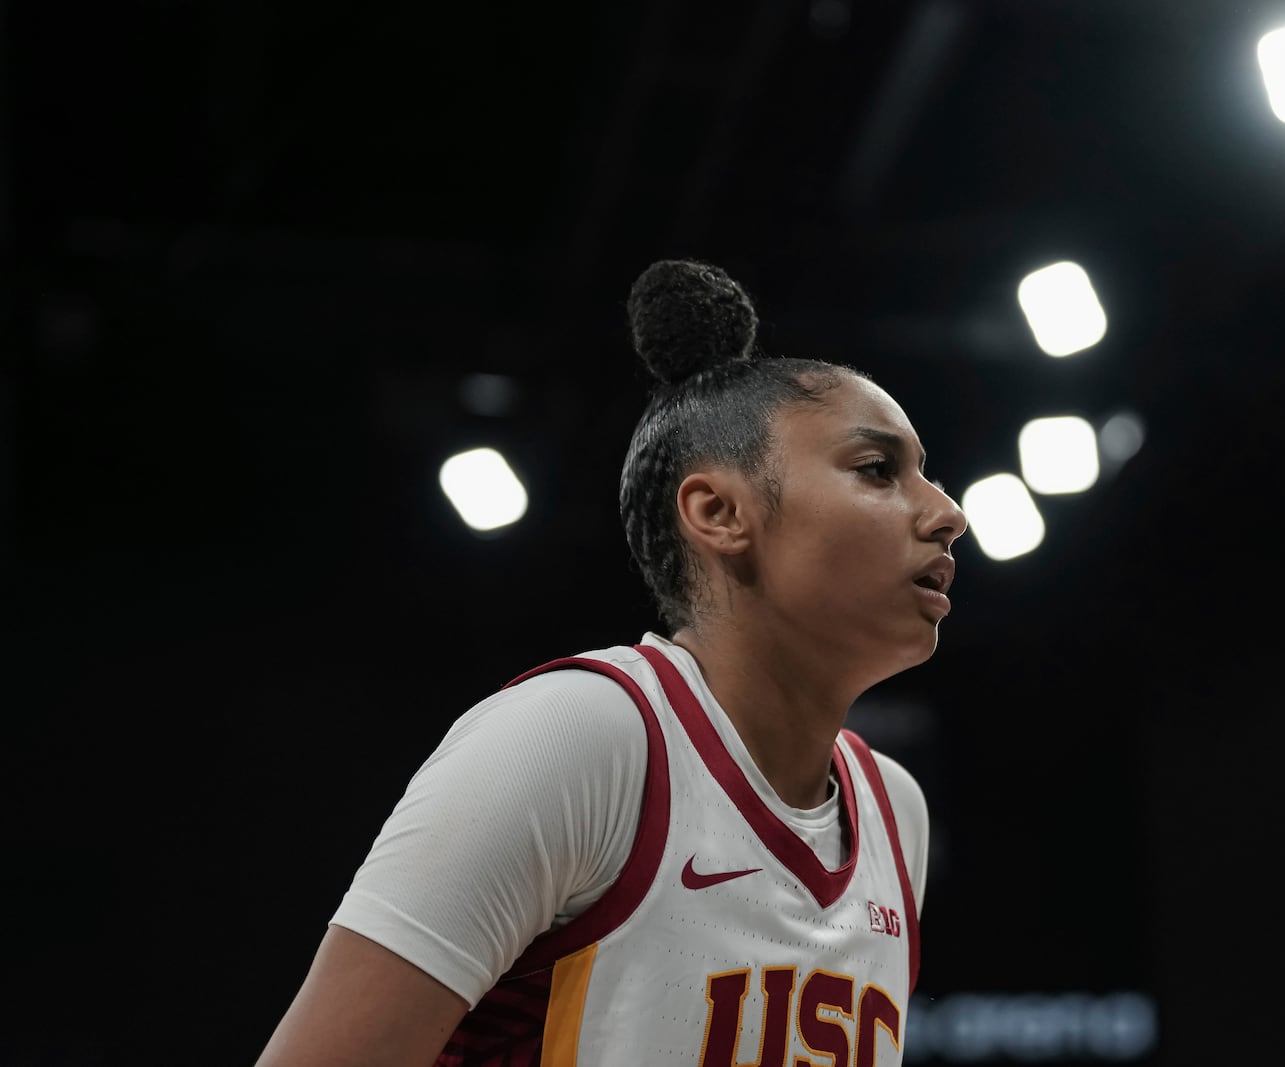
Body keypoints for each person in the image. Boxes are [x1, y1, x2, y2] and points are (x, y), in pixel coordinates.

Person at [255, 258, 967, 1067]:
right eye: (879, 470)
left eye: (927, 475)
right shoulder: (575, 738)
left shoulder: (895, 811)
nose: (948, 513)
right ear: (719, 512)